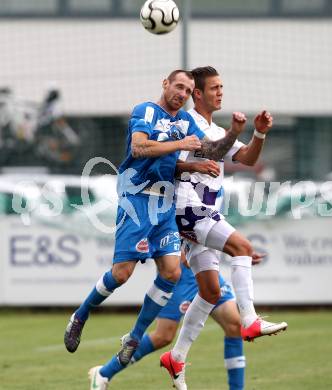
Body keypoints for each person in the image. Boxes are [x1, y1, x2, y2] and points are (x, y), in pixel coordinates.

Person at [64, 70, 246, 384]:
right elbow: (139, 149)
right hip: (137, 199)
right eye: (179, 86)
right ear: (165, 84)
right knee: (122, 274)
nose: (182, 94)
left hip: (164, 206)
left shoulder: (185, 123)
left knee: (173, 271)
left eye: (188, 90)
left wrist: (233, 133)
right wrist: (181, 148)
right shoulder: (145, 111)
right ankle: (80, 314)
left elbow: (212, 150)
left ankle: (133, 337)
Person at [160, 66, 287, 388]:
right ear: (198, 94)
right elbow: (209, 152)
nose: (221, 92)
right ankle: (250, 320)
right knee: (241, 247)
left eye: (222, 87)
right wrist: (232, 132)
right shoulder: (186, 122)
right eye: (214, 87)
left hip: (201, 210)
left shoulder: (213, 128)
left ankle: (176, 358)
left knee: (211, 291)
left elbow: (244, 157)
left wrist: (259, 133)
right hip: (187, 207)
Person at [88, 184, 263, 390]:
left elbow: (212, 230)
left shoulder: (217, 184)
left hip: (207, 272)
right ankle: (103, 373)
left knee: (234, 324)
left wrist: (238, 251)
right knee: (164, 336)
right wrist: (180, 248)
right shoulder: (185, 178)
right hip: (182, 273)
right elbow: (170, 217)